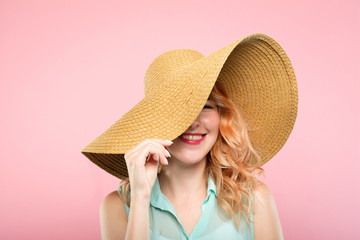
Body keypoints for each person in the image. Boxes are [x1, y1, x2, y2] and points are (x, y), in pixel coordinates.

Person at [81, 33, 298, 240]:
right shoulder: (118, 206)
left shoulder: (255, 199)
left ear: (221, 117)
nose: (193, 122)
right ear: (152, 124)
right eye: (177, 111)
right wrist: (141, 197)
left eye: (205, 106)